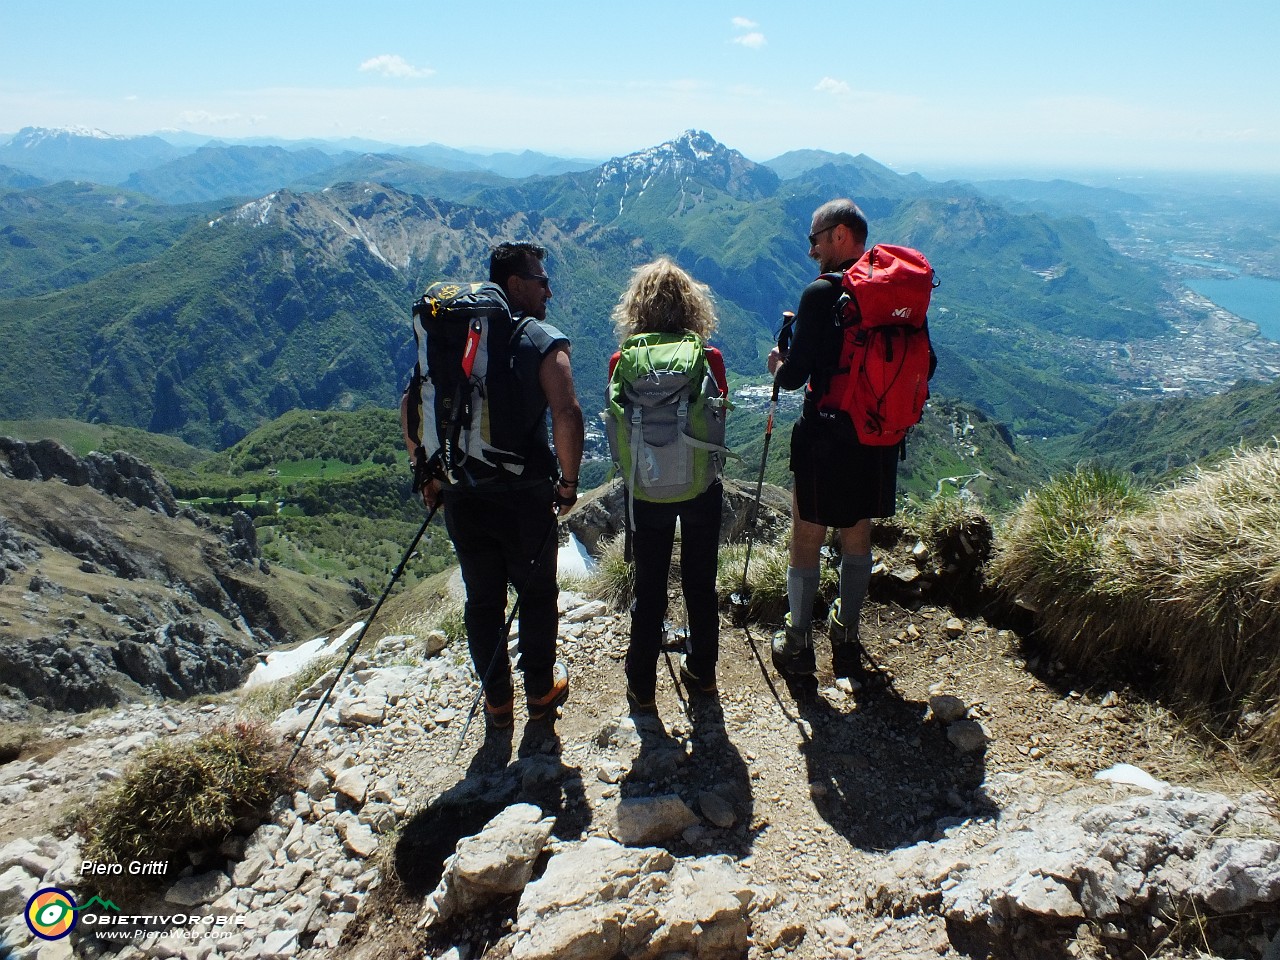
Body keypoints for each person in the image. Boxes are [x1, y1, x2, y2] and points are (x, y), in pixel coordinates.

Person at [402, 241, 584, 726]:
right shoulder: (540, 340)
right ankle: (541, 693)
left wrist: (428, 471)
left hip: (463, 494)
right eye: (542, 281)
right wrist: (568, 484)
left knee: (482, 600)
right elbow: (567, 412)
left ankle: (497, 702)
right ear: (515, 285)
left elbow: (412, 402)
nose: (549, 290)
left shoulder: (453, 342)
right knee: (538, 594)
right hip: (525, 497)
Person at [766, 199, 897, 681]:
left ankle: (798, 637)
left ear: (841, 235)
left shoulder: (821, 294)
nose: (812, 250)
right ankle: (846, 630)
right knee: (857, 532)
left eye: (815, 239)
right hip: (876, 432)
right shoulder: (888, 289)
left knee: (808, 532)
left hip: (827, 433)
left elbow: (797, 375)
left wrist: (777, 364)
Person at [608, 258, 728, 711]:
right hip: (699, 486)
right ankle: (702, 674)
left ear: (637, 308)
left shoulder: (623, 361)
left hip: (645, 489)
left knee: (650, 584)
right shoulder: (708, 358)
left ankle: (641, 684)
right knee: (701, 582)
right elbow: (718, 418)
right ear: (693, 306)